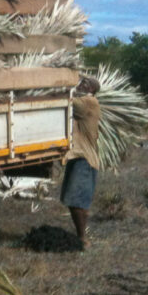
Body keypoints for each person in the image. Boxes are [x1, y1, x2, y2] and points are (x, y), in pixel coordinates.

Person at [61, 75, 101, 246]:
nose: (81, 84)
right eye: (81, 82)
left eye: (85, 83)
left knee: (77, 200)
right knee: (74, 200)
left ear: (91, 89)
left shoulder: (89, 103)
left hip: (84, 158)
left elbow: (68, 101)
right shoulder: (85, 100)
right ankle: (81, 236)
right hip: (78, 156)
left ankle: (82, 239)